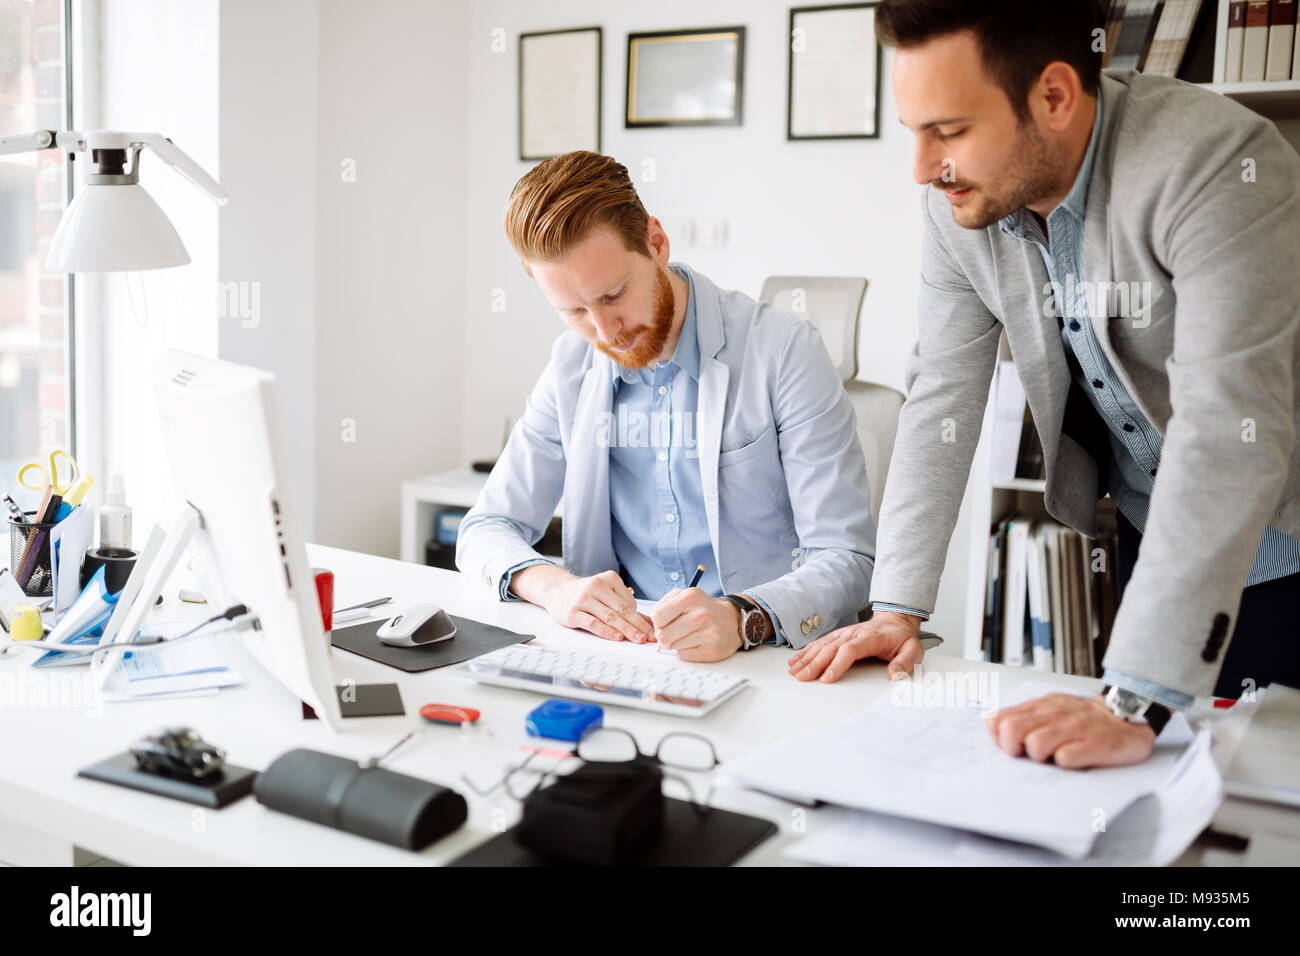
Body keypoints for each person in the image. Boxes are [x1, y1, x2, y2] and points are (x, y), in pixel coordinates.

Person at [790, 0, 1300, 768]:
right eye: (915, 132)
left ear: (1054, 97)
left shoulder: (1217, 163)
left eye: (950, 131)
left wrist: (1133, 695)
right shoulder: (954, 204)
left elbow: (1227, 432)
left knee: (1265, 791)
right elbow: (942, 396)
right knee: (1159, 783)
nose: (925, 168)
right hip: (1146, 530)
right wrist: (896, 606)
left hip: (1282, 528)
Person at [457, 150, 876, 662]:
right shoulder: (572, 364)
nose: (604, 332)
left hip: (768, 656)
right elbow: (484, 529)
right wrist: (554, 589)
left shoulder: (783, 350)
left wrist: (744, 617)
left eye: (613, 294)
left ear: (656, 243)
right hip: (626, 658)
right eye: (574, 311)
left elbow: (848, 557)